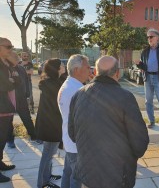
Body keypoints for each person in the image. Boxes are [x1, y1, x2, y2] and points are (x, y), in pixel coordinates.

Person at [68, 55, 149, 188]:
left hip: (87, 172)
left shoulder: (78, 95)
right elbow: (140, 140)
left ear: (95, 72)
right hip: (117, 175)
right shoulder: (125, 97)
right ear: (117, 73)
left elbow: (72, 134)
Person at [58, 55, 91, 188]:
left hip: (69, 140)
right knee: (76, 178)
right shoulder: (76, 90)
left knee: (68, 173)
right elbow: (85, 119)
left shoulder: (69, 85)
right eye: (88, 67)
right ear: (77, 70)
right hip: (76, 143)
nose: (90, 70)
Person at [36, 58, 65, 188]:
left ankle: (47, 176)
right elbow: (56, 108)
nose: (64, 66)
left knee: (49, 153)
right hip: (51, 125)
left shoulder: (52, 82)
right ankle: (42, 183)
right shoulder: (53, 85)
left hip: (49, 124)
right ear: (57, 69)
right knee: (47, 155)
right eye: (62, 65)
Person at [136, 28, 159, 128]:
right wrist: (139, 64)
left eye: (151, 36)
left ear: (157, 38)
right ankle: (152, 121)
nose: (149, 39)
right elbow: (144, 67)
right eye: (148, 37)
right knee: (148, 101)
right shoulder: (144, 51)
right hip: (147, 78)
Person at [6, 52, 41, 148]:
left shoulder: (21, 68)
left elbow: (26, 81)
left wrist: (27, 94)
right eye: (15, 57)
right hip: (8, 99)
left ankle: (34, 136)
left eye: (17, 57)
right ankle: (10, 141)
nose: (17, 59)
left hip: (21, 98)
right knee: (9, 120)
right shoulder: (5, 69)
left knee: (26, 118)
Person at [0, 37, 17, 183]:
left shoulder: (5, 63)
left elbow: (15, 79)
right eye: (8, 46)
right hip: (1, 106)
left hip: (5, 106)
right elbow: (4, 85)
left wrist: (12, 80)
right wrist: (10, 82)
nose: (10, 49)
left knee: (3, 137)